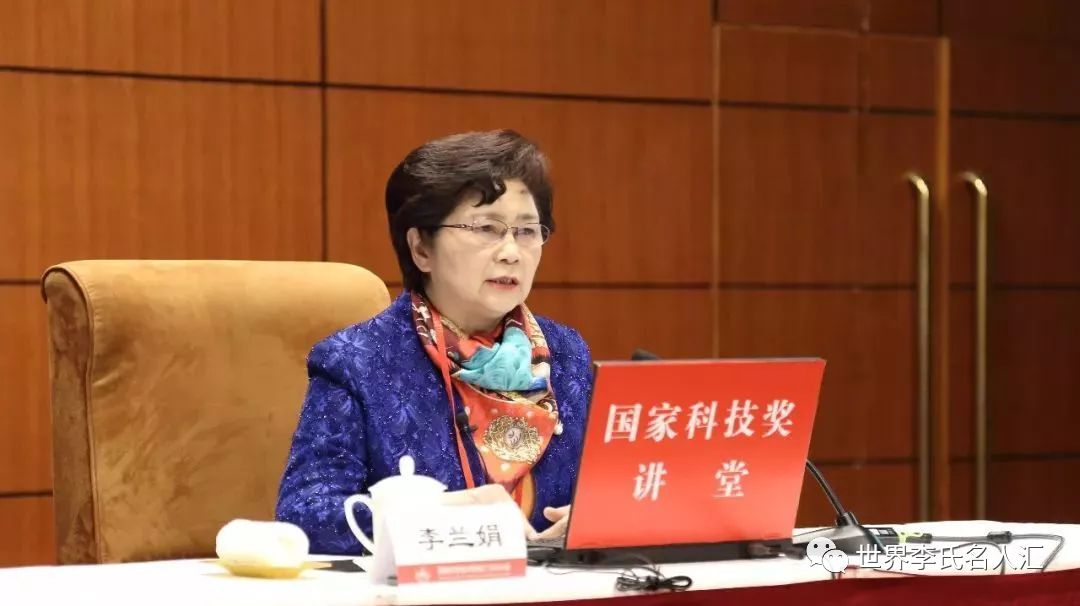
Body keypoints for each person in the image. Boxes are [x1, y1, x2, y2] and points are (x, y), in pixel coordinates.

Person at [275, 130, 593, 554]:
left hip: (558, 585)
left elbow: (614, 485)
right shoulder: (357, 361)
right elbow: (305, 514)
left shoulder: (566, 352)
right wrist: (442, 517)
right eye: (487, 228)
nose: (511, 252)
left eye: (527, 231)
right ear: (421, 248)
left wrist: (597, 517)